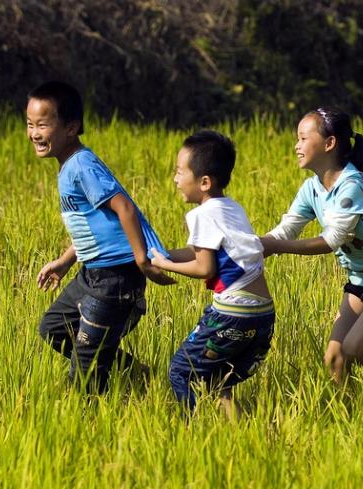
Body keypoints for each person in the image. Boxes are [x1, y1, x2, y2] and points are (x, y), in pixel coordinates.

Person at [28, 80, 175, 393]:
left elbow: (125, 208)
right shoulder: (69, 165)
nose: (35, 133)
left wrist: (142, 260)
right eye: (30, 125)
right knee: (54, 328)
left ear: (71, 127)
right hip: (91, 274)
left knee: (83, 376)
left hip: (115, 277)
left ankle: (89, 417)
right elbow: (96, 225)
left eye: (43, 124)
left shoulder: (81, 165)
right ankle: (136, 376)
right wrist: (65, 262)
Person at [151, 130, 274, 418]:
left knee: (182, 371)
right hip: (262, 313)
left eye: (180, 172)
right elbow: (200, 251)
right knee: (217, 380)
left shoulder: (201, 215)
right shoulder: (231, 207)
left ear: (204, 182)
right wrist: (164, 254)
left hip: (233, 312)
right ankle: (243, 435)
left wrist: (165, 265)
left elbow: (205, 267)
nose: (175, 179)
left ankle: (193, 433)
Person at [261, 107, 363, 384]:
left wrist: (278, 248)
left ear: (329, 144)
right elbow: (285, 231)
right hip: (359, 281)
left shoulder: (352, 185)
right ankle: (347, 416)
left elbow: (332, 240)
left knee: (353, 348)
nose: (297, 145)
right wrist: (250, 245)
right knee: (335, 357)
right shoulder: (311, 188)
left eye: (304, 138)